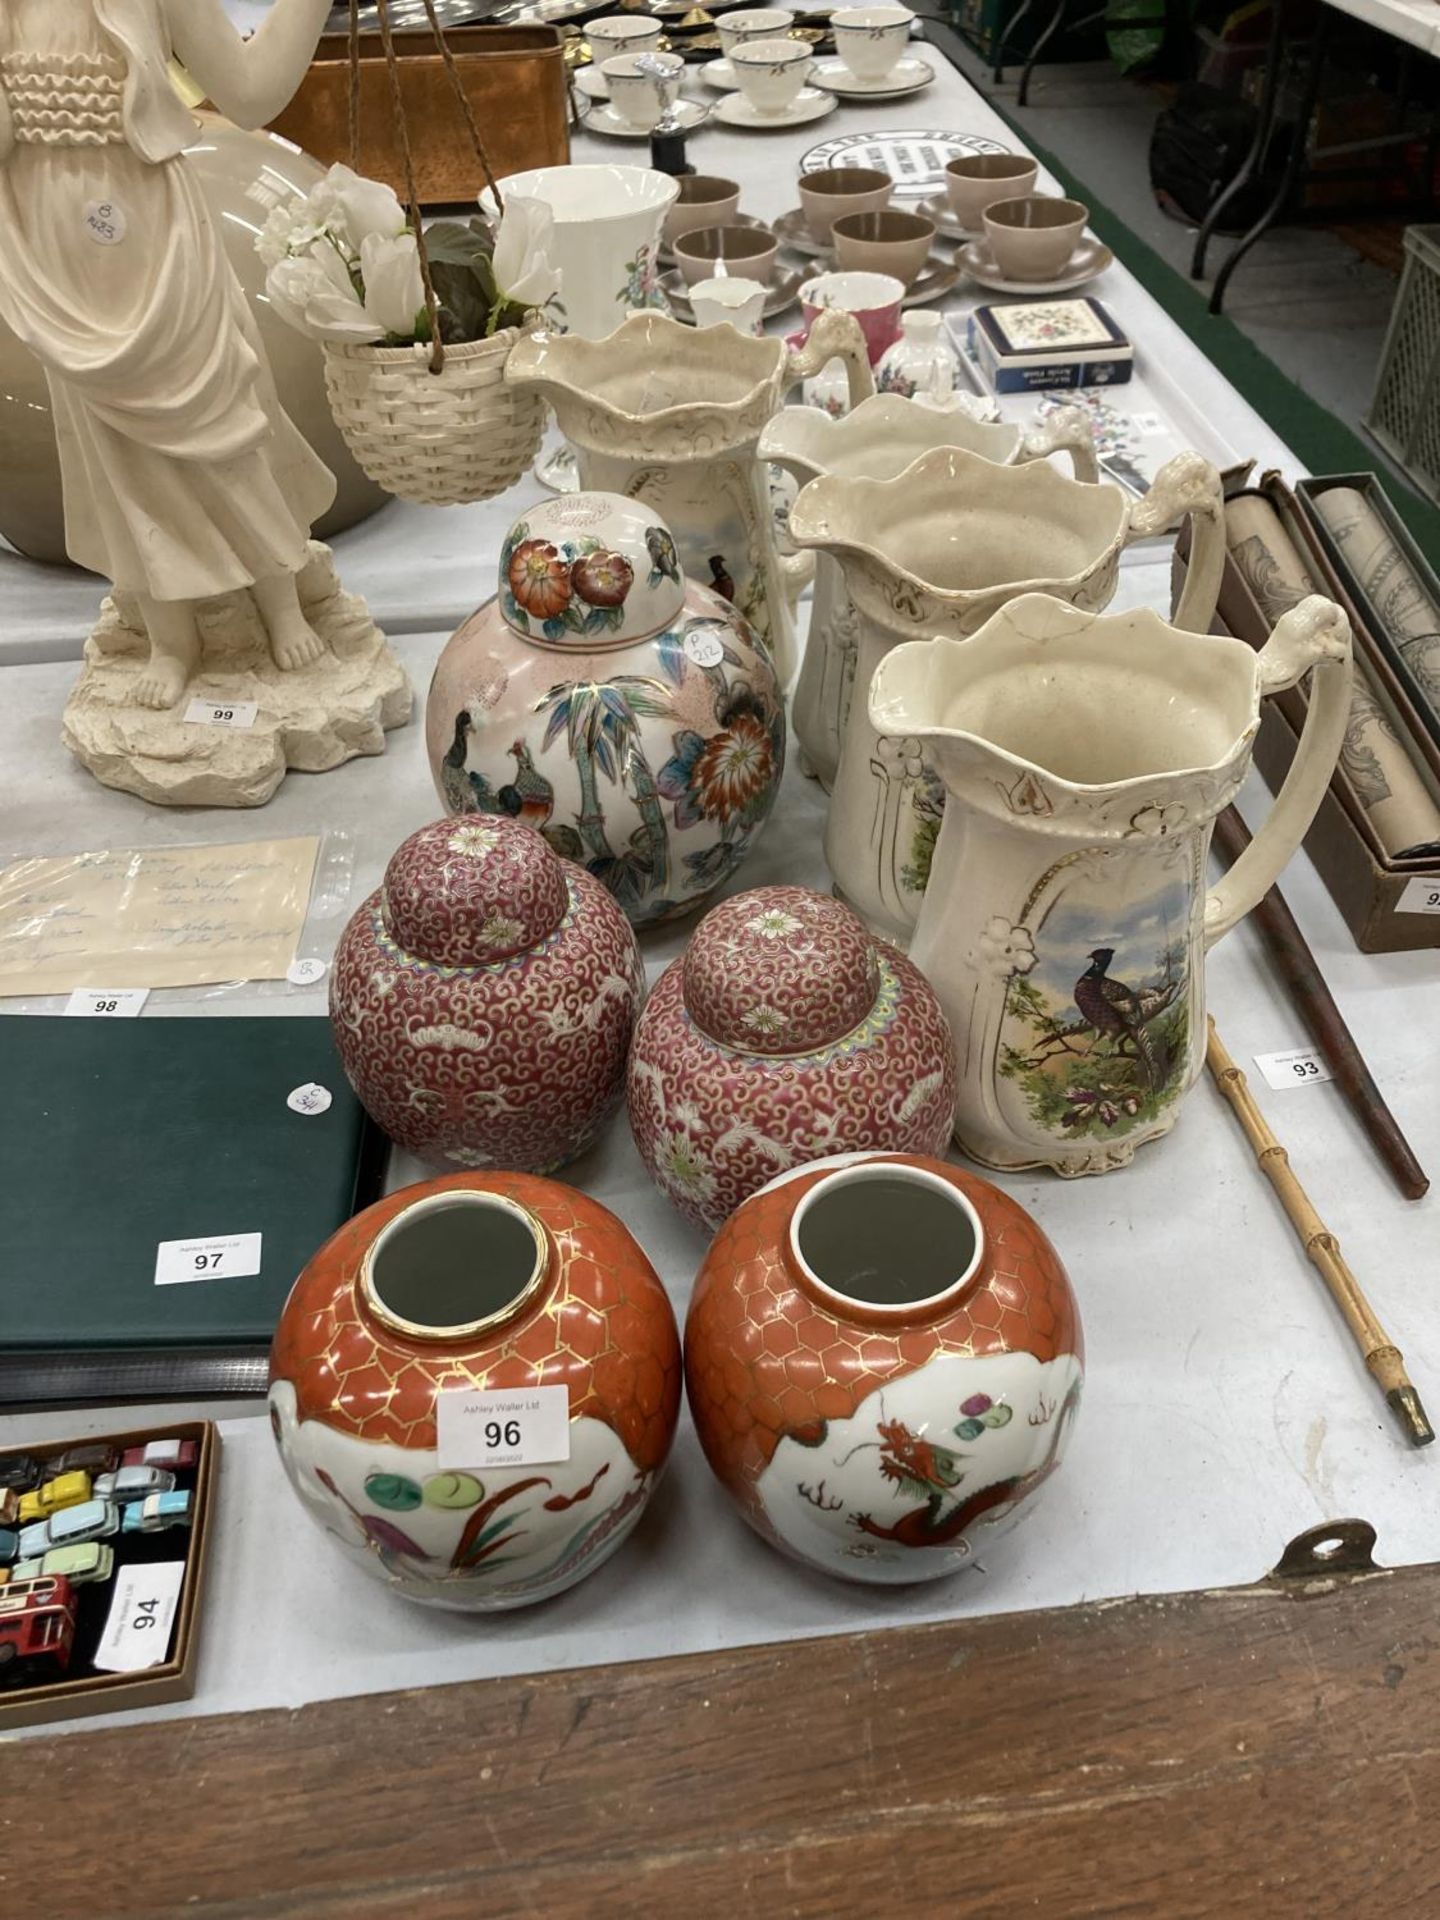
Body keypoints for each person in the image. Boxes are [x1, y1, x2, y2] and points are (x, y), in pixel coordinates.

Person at [0, 0, 337, 707]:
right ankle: (171, 635)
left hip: (153, 222)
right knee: (112, 449)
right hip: (48, 242)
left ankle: (278, 594)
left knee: (221, 414)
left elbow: (250, 92)